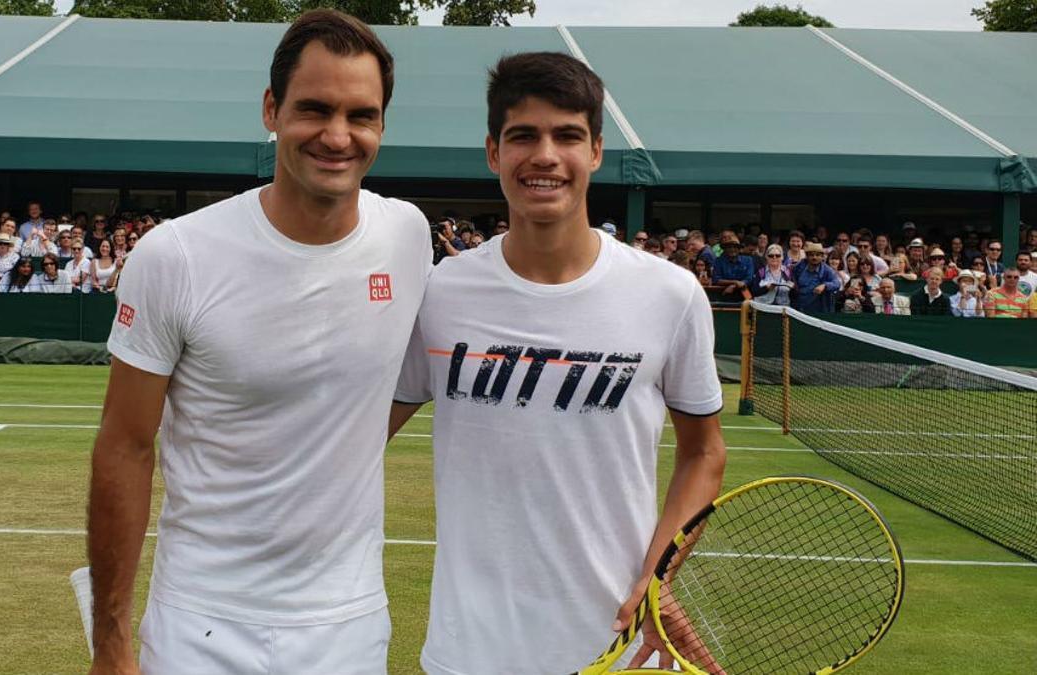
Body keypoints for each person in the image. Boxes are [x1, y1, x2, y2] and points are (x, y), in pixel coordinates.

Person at [87, 10, 430, 675]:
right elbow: (125, 447)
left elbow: (422, 371)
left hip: (349, 622)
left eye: (361, 114)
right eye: (314, 109)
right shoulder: (174, 256)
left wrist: (340, 444)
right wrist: (111, 643)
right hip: (198, 620)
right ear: (272, 109)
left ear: (382, 126)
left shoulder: (408, 235)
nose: (337, 135)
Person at [389, 51, 726, 675]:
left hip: (620, 651)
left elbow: (704, 454)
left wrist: (658, 578)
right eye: (523, 136)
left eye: (567, 135)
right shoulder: (439, 292)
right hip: (470, 653)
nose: (545, 155)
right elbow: (354, 432)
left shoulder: (669, 294)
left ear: (596, 151)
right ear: (493, 152)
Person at [793, 242, 842, 313]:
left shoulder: (827, 270)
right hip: (800, 308)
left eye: (817, 255)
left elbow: (837, 283)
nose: (814, 257)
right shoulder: (800, 266)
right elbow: (793, 275)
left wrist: (825, 285)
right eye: (811, 255)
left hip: (819, 310)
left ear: (822, 257)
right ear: (807, 256)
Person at [712, 232, 755, 297]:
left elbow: (749, 279)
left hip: (744, 294)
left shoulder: (748, 260)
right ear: (725, 249)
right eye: (729, 247)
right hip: (723, 294)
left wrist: (734, 286)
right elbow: (716, 279)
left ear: (739, 249)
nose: (732, 249)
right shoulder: (719, 261)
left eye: (735, 247)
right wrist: (735, 282)